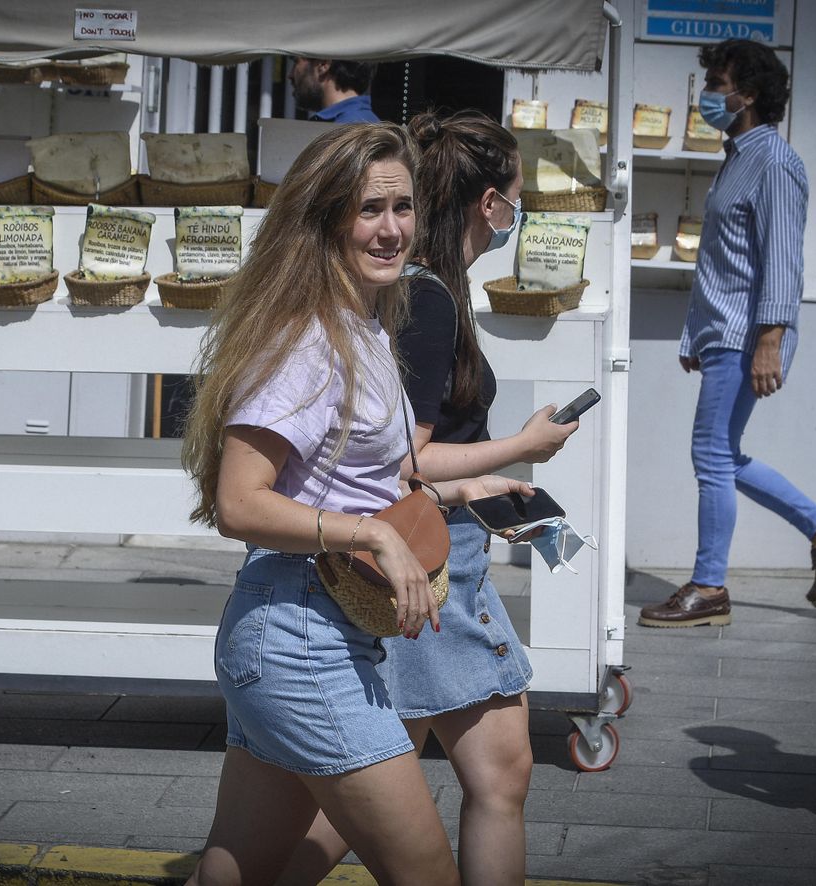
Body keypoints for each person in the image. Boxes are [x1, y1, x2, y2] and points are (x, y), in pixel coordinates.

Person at [179, 122, 533, 886]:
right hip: (302, 637)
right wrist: (369, 536)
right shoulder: (304, 342)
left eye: (403, 206)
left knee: (238, 871)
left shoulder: (367, 324)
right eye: (370, 209)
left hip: (310, 630)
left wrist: (464, 487)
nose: (393, 228)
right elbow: (238, 502)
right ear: (327, 216)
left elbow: (362, 474)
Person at [276, 110, 580, 886]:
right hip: (428, 565)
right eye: (516, 199)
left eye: (400, 208)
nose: (518, 215)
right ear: (490, 205)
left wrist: (484, 478)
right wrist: (522, 444)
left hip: (434, 558)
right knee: (395, 797)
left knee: (478, 773)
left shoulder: (428, 291)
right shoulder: (431, 299)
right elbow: (408, 457)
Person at [638, 38, 816, 629]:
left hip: (748, 335)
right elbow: (722, 260)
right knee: (722, 455)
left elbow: (782, 260)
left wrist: (771, 338)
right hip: (724, 334)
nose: (708, 96)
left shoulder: (774, 161)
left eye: (717, 85)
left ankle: (711, 585)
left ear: (750, 95)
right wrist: (695, 336)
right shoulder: (737, 157)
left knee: (711, 455)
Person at [290, 57, 379, 123]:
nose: (290, 75)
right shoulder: (363, 121)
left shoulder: (349, 129)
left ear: (323, 64)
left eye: (295, 62)